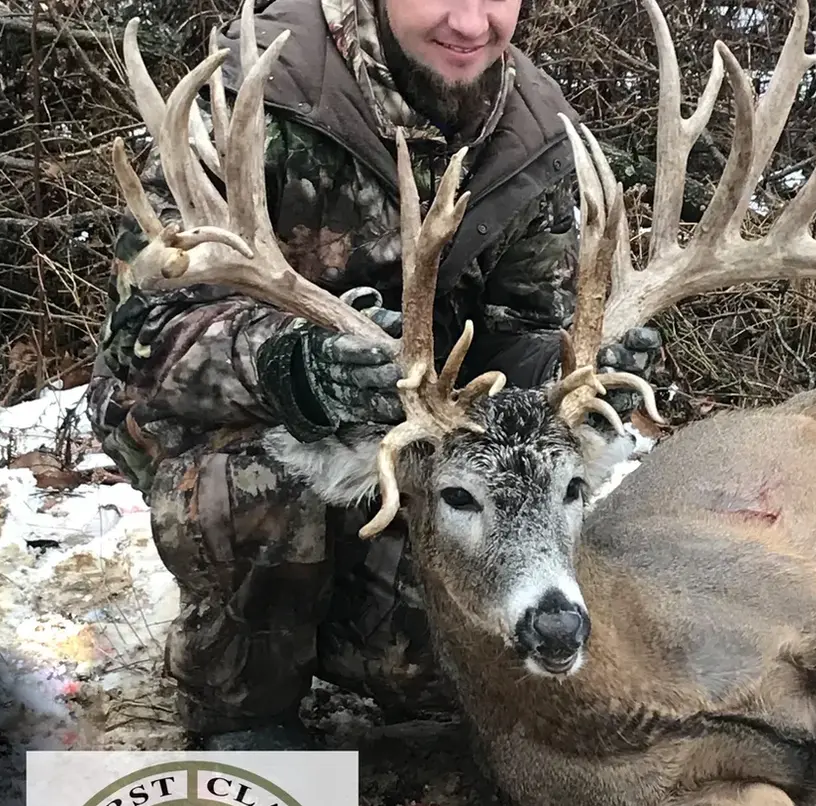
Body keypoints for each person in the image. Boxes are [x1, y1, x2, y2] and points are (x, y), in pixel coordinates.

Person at [87, 0, 663, 751]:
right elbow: (146, 334)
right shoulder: (252, 94)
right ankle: (247, 710)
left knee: (424, 668)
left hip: (430, 436)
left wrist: (576, 366)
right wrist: (296, 367)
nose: (470, 22)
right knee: (258, 490)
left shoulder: (534, 131)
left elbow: (521, 327)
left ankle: (348, 633)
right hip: (245, 420)